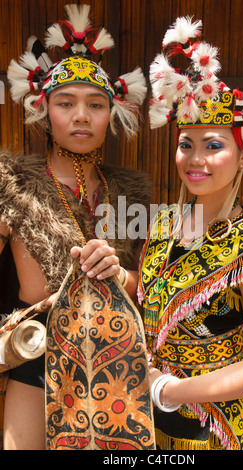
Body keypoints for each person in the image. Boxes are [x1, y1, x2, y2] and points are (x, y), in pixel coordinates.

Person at [138, 17, 243, 450]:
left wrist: (169, 391)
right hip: (152, 416)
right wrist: (112, 272)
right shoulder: (164, 225)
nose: (196, 159)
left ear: (242, 158)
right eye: (186, 143)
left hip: (217, 427)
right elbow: (152, 302)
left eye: (213, 145)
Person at [0, 4, 150, 450]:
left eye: (95, 104)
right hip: (36, 353)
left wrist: (120, 274)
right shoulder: (10, 184)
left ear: (112, 115)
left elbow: (152, 289)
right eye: (66, 103)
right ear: (44, 111)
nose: (81, 116)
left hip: (117, 361)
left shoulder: (129, 193)